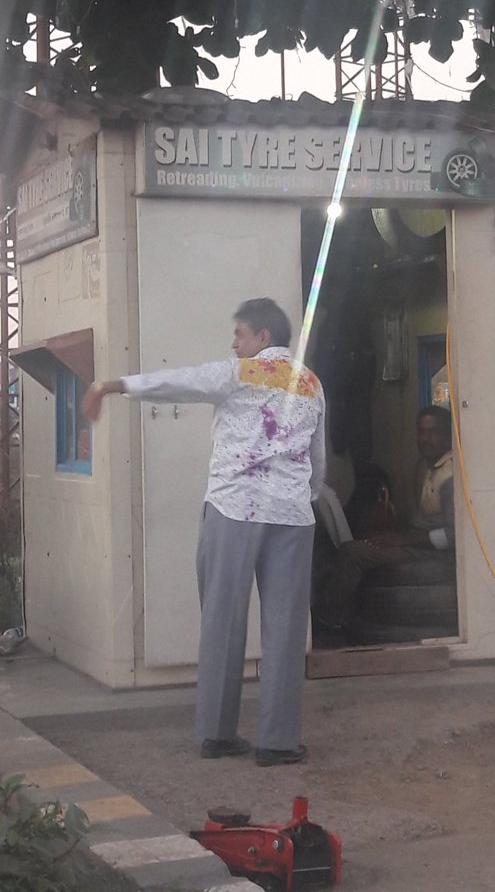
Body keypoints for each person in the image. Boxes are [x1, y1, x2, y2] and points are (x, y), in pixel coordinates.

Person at [82, 298, 325, 767]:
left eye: (240, 334)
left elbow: (179, 381)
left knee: (222, 620)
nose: (234, 344)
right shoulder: (311, 383)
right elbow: (317, 454)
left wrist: (113, 385)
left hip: (234, 510)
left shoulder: (240, 373)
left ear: (263, 338)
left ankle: (217, 733)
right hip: (292, 517)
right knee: (286, 629)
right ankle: (277, 743)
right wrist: (305, 496)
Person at [317, 406, 454, 631]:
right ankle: (351, 616)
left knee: (352, 552)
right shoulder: (432, 469)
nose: (425, 439)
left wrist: (403, 540)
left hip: (434, 552)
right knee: (368, 538)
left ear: (448, 435)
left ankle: (328, 621)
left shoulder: (450, 476)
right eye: (421, 432)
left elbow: (454, 534)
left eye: (433, 432)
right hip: (418, 541)